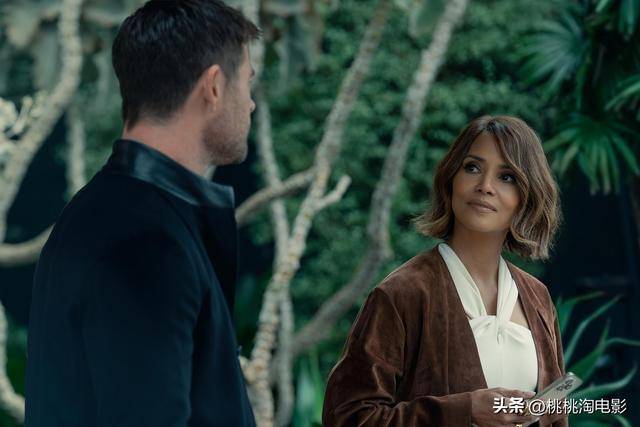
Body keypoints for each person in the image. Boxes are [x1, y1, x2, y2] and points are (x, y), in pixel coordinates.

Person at [25, 1, 259, 426]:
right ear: (213, 86)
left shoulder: (113, 213)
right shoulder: (145, 241)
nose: (252, 104)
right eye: (247, 83)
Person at [323, 115, 569, 427]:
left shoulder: (536, 297)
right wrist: (464, 411)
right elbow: (348, 417)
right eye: (472, 168)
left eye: (506, 177)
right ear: (451, 178)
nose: (485, 187)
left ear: (527, 196)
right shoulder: (403, 293)